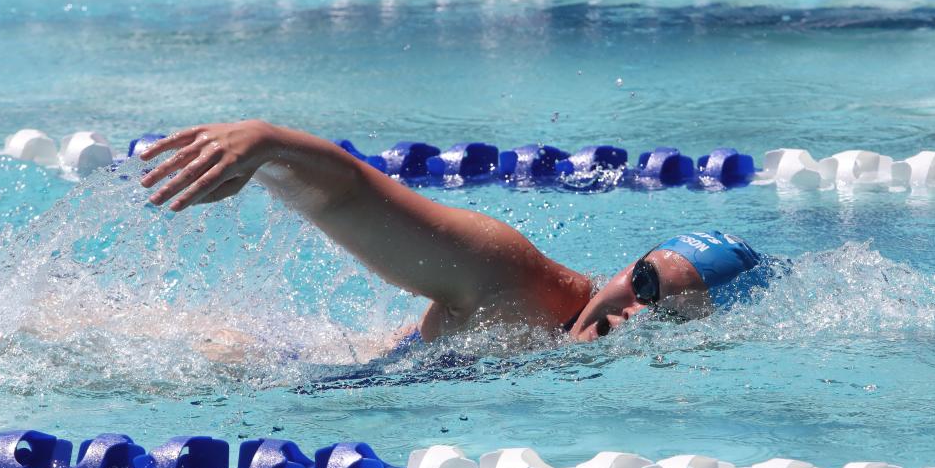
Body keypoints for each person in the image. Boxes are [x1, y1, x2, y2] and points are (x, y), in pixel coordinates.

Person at [139, 119, 772, 350]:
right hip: (253, 363)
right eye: (643, 282)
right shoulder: (519, 283)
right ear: (625, 268)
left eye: (667, 312)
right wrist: (269, 144)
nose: (632, 311)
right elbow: (351, 195)